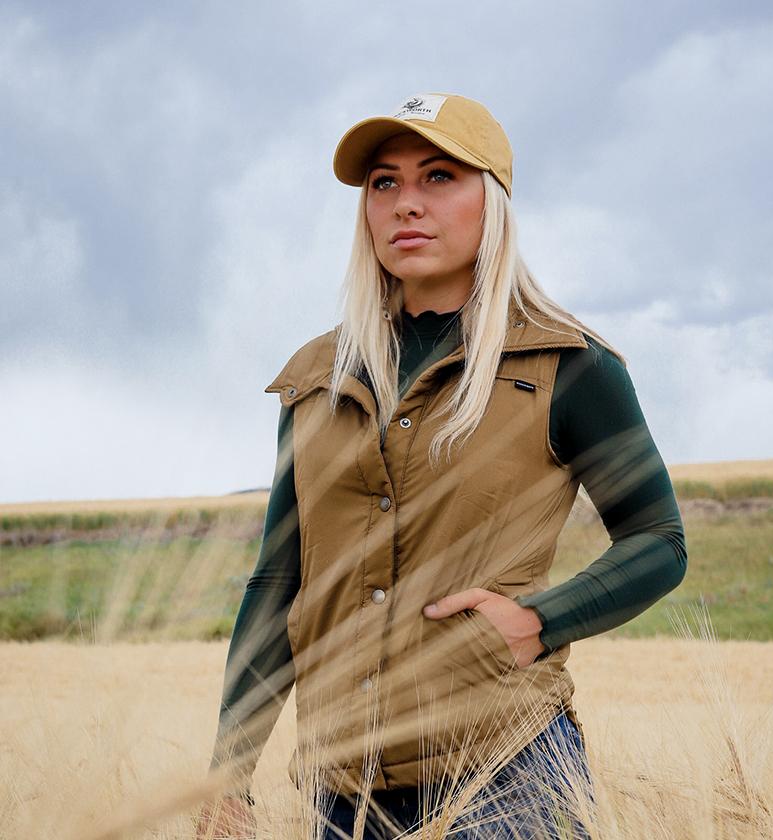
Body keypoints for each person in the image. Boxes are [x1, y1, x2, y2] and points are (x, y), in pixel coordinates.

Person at [196, 93, 687, 840]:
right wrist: (230, 772)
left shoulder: (568, 366)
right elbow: (279, 582)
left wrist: (538, 621)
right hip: (343, 790)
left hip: (508, 773)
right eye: (384, 184)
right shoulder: (316, 379)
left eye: (438, 178)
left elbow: (658, 539)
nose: (405, 205)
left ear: (492, 198)